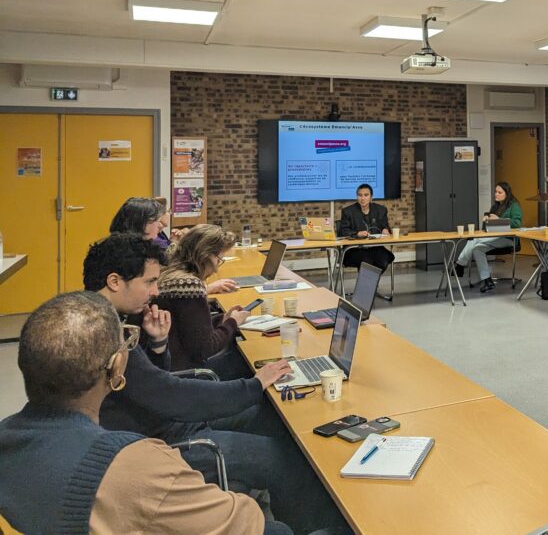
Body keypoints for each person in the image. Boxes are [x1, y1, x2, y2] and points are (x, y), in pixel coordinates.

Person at [84, 233, 345, 534]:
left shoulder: (112, 318)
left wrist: (157, 344)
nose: (156, 291)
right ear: (115, 281)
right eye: (150, 282)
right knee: (288, 461)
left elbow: (150, 384)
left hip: (168, 420)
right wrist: (254, 384)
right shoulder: (103, 335)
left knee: (270, 415)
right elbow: (170, 394)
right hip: (165, 440)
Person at [0, 291, 283, 534]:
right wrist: (239, 501)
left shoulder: (8, 439)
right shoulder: (134, 465)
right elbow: (241, 522)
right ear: (116, 367)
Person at [156, 224, 252, 378]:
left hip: (169, 362)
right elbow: (205, 349)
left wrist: (223, 320)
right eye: (218, 260)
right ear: (205, 255)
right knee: (249, 359)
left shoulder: (170, 274)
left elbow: (191, 328)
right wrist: (232, 323)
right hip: (185, 372)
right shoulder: (189, 285)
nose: (217, 268)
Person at [453, 182, 523, 293]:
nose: (496, 194)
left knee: (474, 239)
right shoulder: (495, 206)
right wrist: (487, 218)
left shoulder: (514, 206)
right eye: (495, 192)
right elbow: (489, 225)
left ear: (507, 193)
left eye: (500, 192)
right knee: (477, 249)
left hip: (509, 239)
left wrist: (498, 219)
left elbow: (517, 224)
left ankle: (460, 264)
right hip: (493, 238)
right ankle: (487, 281)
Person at [337, 183, 395, 273]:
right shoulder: (348, 212)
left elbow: (385, 226)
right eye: (360, 195)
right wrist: (357, 234)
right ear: (357, 197)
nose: (362, 198)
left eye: (366, 195)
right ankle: (367, 282)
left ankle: (369, 282)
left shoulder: (380, 210)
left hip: (375, 248)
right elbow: (343, 231)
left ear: (371, 197)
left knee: (383, 259)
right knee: (367, 261)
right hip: (354, 249)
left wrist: (385, 229)